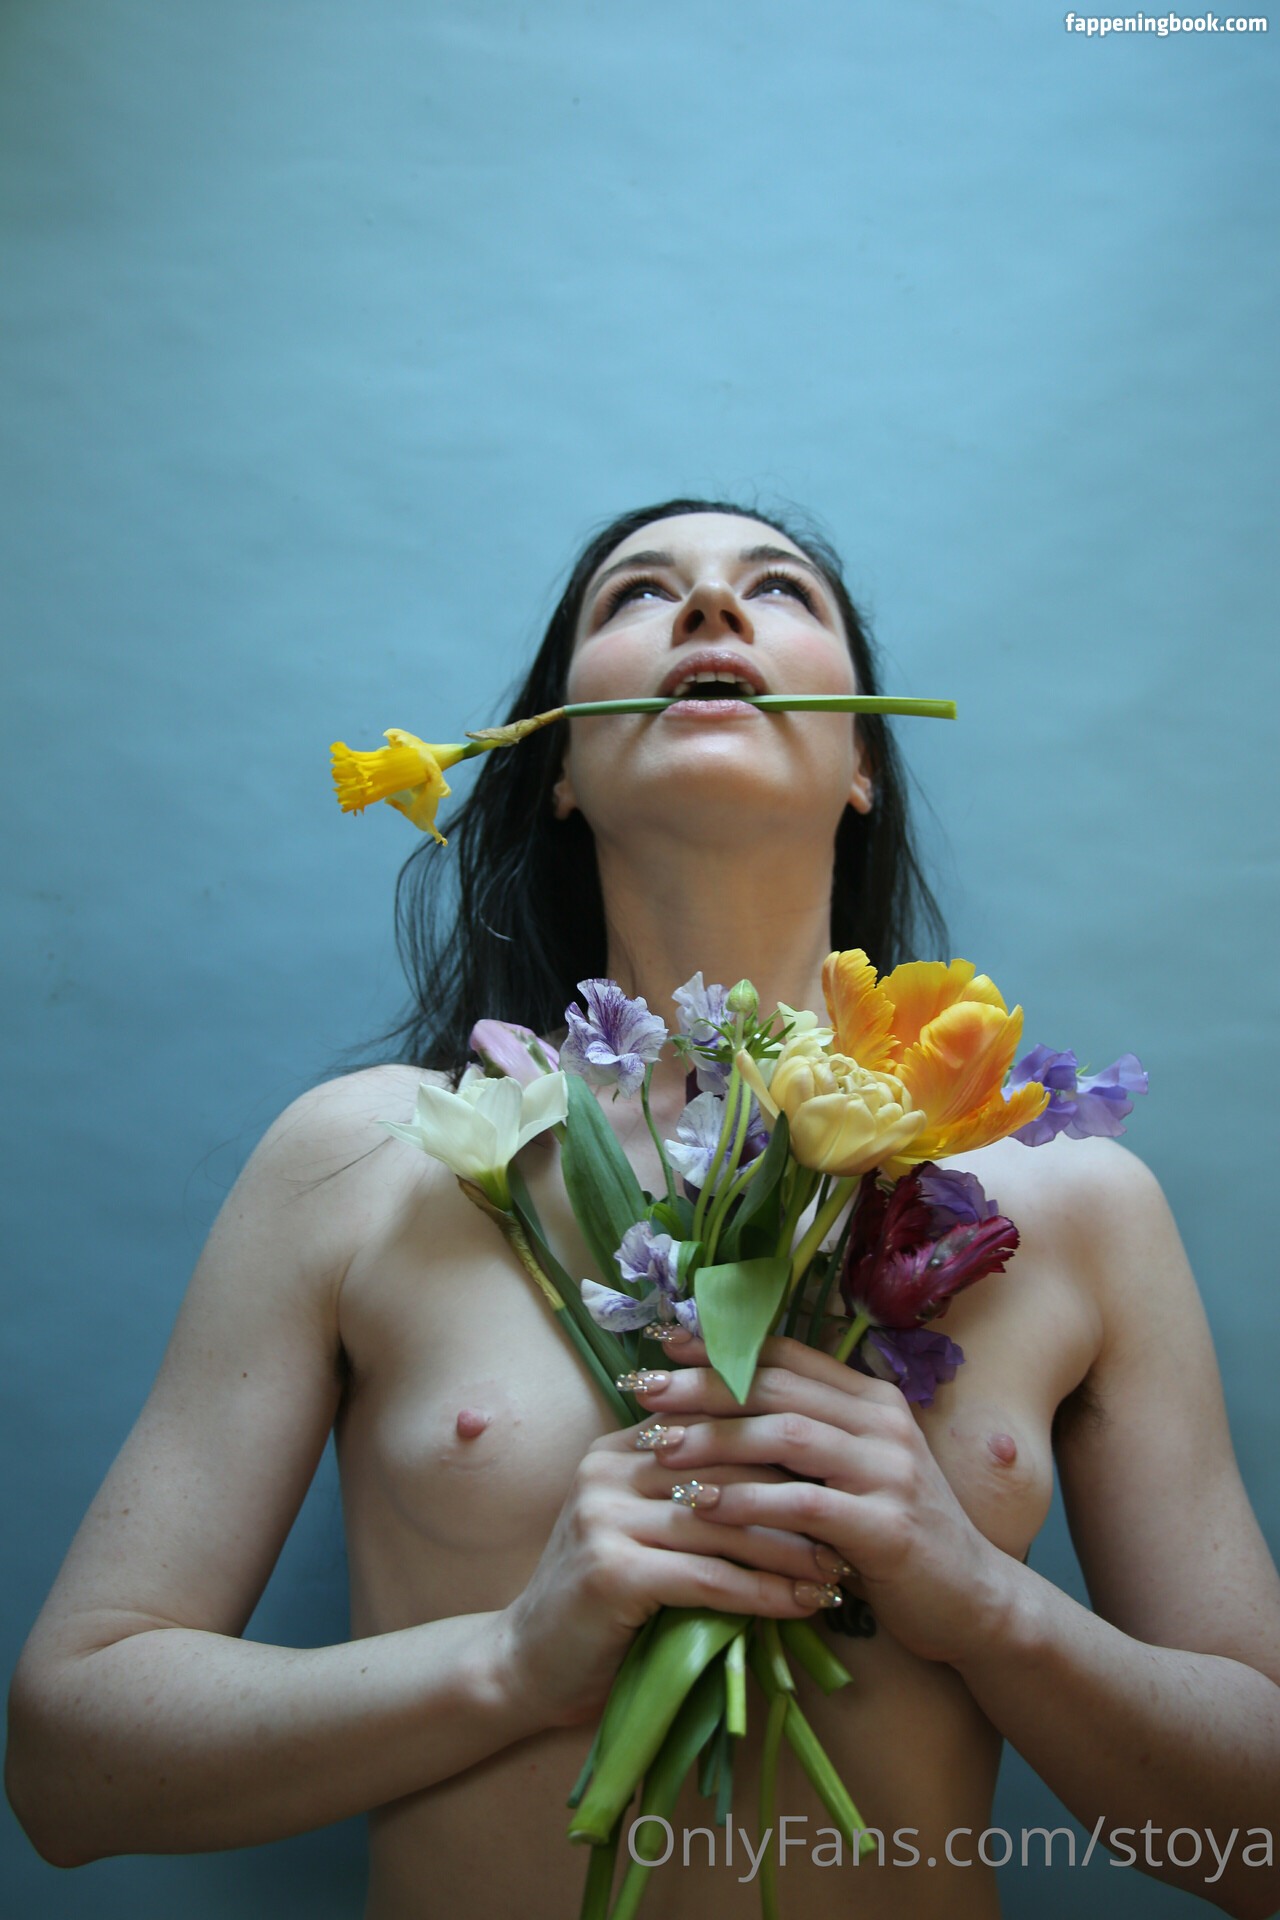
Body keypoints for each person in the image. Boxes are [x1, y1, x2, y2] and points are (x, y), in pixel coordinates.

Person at [7, 501, 1280, 1920]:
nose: (709, 608)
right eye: (635, 595)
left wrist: (982, 1603)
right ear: (556, 766)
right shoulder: (376, 1161)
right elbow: (63, 1773)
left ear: (864, 760)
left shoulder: (1075, 1202)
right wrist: (510, 1659)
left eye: (778, 589)